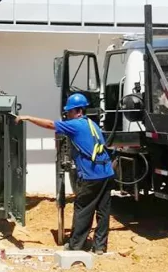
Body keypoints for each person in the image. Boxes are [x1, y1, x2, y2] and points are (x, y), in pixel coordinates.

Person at [15, 93, 115, 254]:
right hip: (107, 172)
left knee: (83, 209)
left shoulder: (75, 125)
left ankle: (76, 245)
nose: (67, 115)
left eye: (69, 112)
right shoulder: (92, 124)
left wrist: (27, 117)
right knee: (103, 211)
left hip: (92, 175)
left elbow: (50, 125)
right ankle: (100, 247)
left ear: (77, 111)